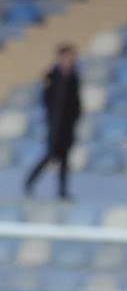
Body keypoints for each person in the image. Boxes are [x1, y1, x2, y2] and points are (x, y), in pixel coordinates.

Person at [24, 44, 81, 200]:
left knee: (65, 159)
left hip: (68, 126)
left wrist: (76, 118)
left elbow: (76, 102)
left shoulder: (74, 77)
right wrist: (51, 119)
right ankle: (30, 181)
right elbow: (46, 100)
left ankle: (62, 191)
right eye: (68, 57)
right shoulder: (51, 76)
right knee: (50, 155)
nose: (70, 60)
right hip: (54, 125)